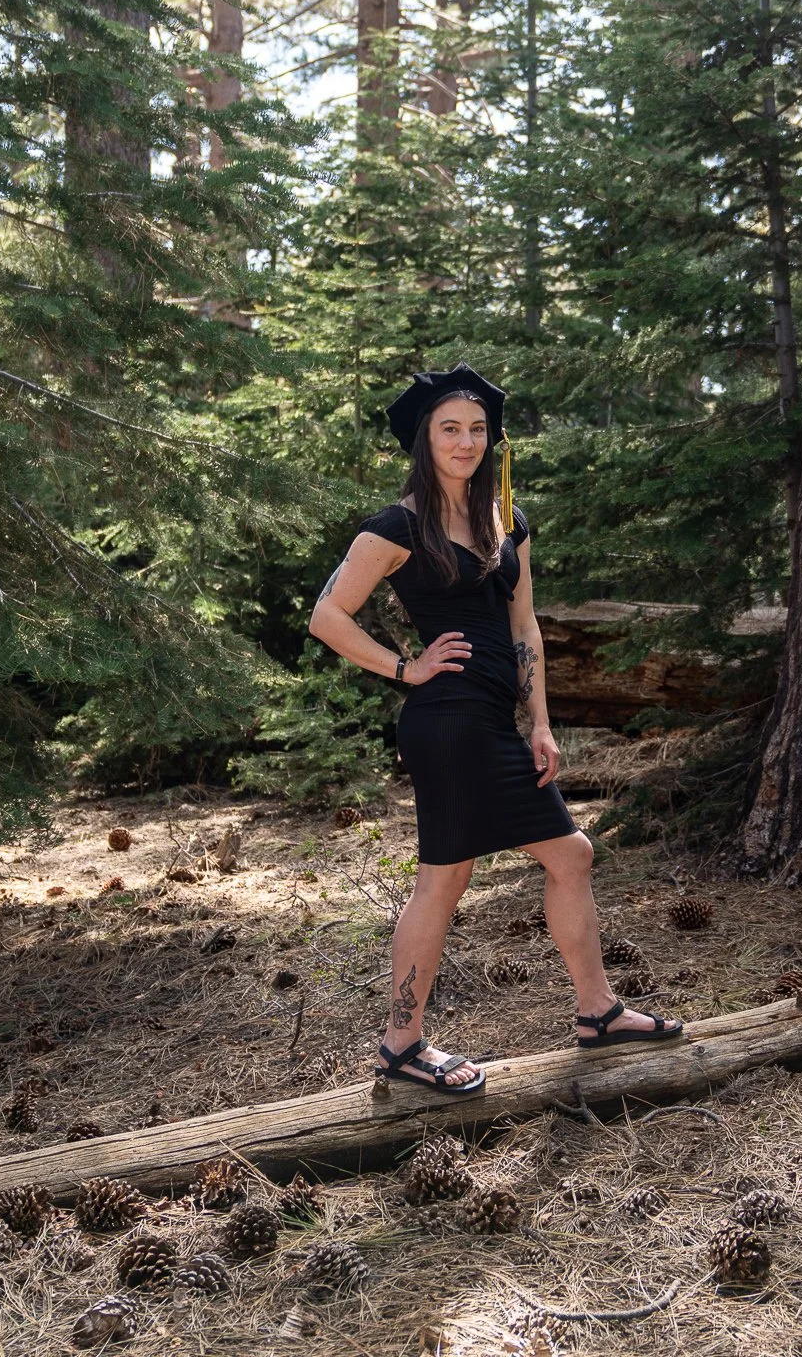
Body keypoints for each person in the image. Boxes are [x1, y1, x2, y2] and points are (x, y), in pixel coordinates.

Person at [308, 364, 685, 1096]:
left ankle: (596, 1011)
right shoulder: (398, 526)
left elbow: (524, 627)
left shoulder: (506, 521)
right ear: (425, 438)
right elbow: (327, 616)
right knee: (447, 881)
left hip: (495, 724)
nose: (466, 441)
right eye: (450, 428)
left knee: (568, 857)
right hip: (446, 724)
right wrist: (404, 668)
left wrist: (540, 721)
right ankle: (401, 1044)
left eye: (477, 429)